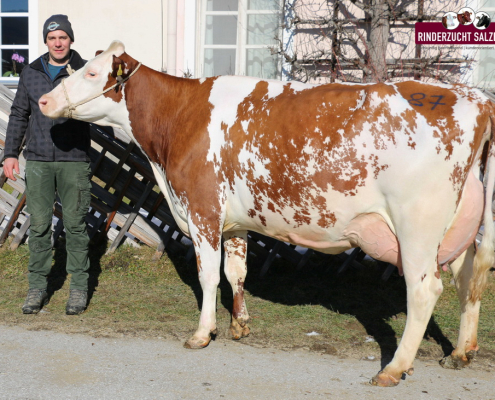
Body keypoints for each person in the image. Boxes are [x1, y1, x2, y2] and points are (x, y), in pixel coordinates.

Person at [3, 15, 92, 315]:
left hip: (74, 160)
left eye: (63, 37)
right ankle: (36, 289)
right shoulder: (31, 72)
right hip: (39, 160)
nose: (57, 42)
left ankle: (79, 289)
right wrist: (10, 154)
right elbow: (18, 115)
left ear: (70, 40)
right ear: (46, 41)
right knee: (39, 226)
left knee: (76, 226)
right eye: (52, 37)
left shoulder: (84, 71)